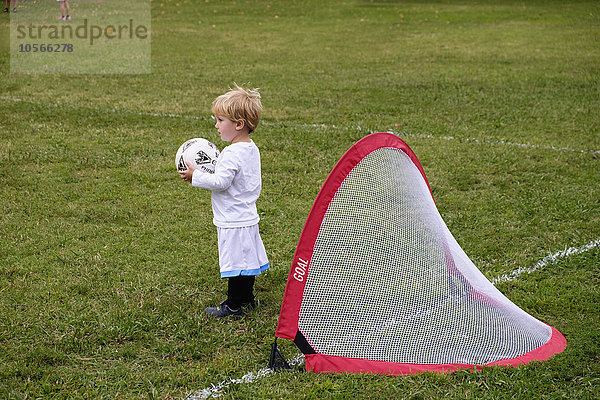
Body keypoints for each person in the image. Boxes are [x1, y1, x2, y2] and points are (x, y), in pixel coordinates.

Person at [179, 85, 269, 318]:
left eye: (220, 120)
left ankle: (233, 306)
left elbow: (221, 182)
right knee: (246, 260)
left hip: (232, 218)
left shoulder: (231, 153)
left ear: (238, 124)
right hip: (247, 215)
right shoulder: (251, 149)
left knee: (235, 264)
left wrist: (195, 176)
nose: (216, 125)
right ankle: (247, 299)